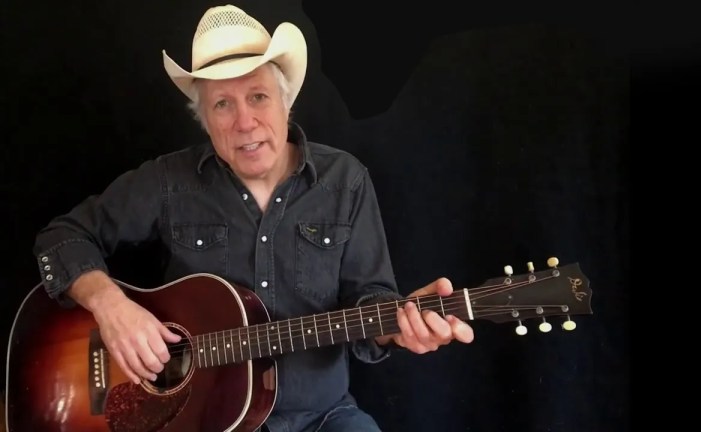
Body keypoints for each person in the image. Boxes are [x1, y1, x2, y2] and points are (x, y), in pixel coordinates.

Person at [32, 4, 474, 432]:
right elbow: (61, 238)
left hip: (321, 417)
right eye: (222, 104)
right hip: (198, 421)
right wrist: (110, 307)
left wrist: (398, 329)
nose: (244, 122)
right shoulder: (169, 181)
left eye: (258, 96)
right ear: (204, 119)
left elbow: (369, 300)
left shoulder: (345, 181)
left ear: (286, 101)